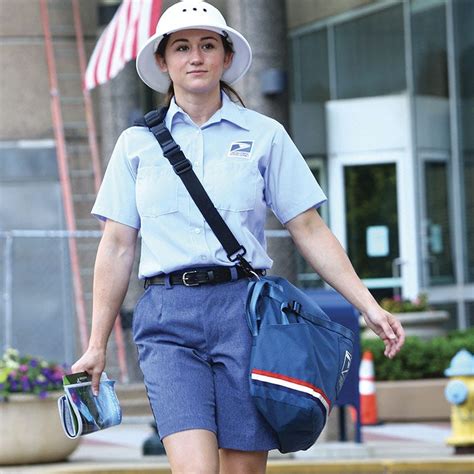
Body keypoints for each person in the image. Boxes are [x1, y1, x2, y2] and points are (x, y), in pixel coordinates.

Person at [72, 1, 405, 472]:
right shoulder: (135, 145)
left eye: (208, 45)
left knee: (243, 470)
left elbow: (308, 228)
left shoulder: (265, 134)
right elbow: (118, 245)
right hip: (167, 320)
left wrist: (368, 305)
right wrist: (96, 343)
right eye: (181, 47)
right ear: (164, 62)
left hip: (245, 317)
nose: (196, 57)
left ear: (226, 57)